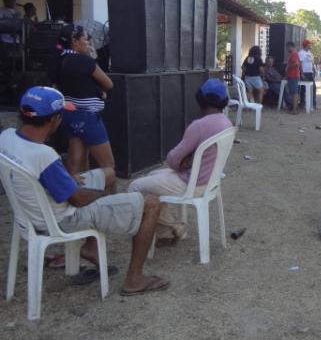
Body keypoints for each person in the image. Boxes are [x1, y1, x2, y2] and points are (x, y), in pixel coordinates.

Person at [0, 86, 169, 295]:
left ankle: (91, 247)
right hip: (64, 219)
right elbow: (79, 200)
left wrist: (72, 182)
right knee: (151, 203)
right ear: (53, 119)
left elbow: (41, 178)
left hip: (29, 215)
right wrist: (101, 193)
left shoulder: (6, 137)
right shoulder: (44, 155)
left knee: (108, 174)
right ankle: (134, 279)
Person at [128, 79, 232, 244]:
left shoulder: (199, 125)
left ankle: (173, 227)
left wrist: (184, 160)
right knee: (152, 176)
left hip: (192, 183)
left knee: (135, 186)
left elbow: (172, 160)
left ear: (200, 98)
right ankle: (167, 231)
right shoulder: (226, 123)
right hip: (210, 181)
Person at [50, 24, 115, 181]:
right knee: (108, 166)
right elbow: (109, 84)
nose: (88, 42)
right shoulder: (83, 61)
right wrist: (101, 91)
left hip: (68, 115)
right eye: (86, 39)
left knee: (76, 161)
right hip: (88, 118)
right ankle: (110, 200)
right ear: (74, 41)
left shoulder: (57, 60)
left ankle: (75, 197)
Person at [298, 39, 317, 110]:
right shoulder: (301, 53)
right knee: (303, 89)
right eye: (310, 44)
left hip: (310, 72)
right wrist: (301, 73)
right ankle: (302, 104)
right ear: (306, 45)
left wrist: (314, 70)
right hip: (305, 73)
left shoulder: (309, 52)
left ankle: (313, 104)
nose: (311, 45)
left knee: (313, 88)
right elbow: (300, 63)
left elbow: (311, 62)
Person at [285, 41, 301, 114]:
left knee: (294, 93)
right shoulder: (294, 54)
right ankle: (293, 109)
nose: (287, 48)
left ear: (290, 46)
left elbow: (296, 63)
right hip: (293, 76)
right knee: (294, 92)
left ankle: (294, 110)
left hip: (293, 76)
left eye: (287, 47)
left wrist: (288, 67)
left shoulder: (293, 54)